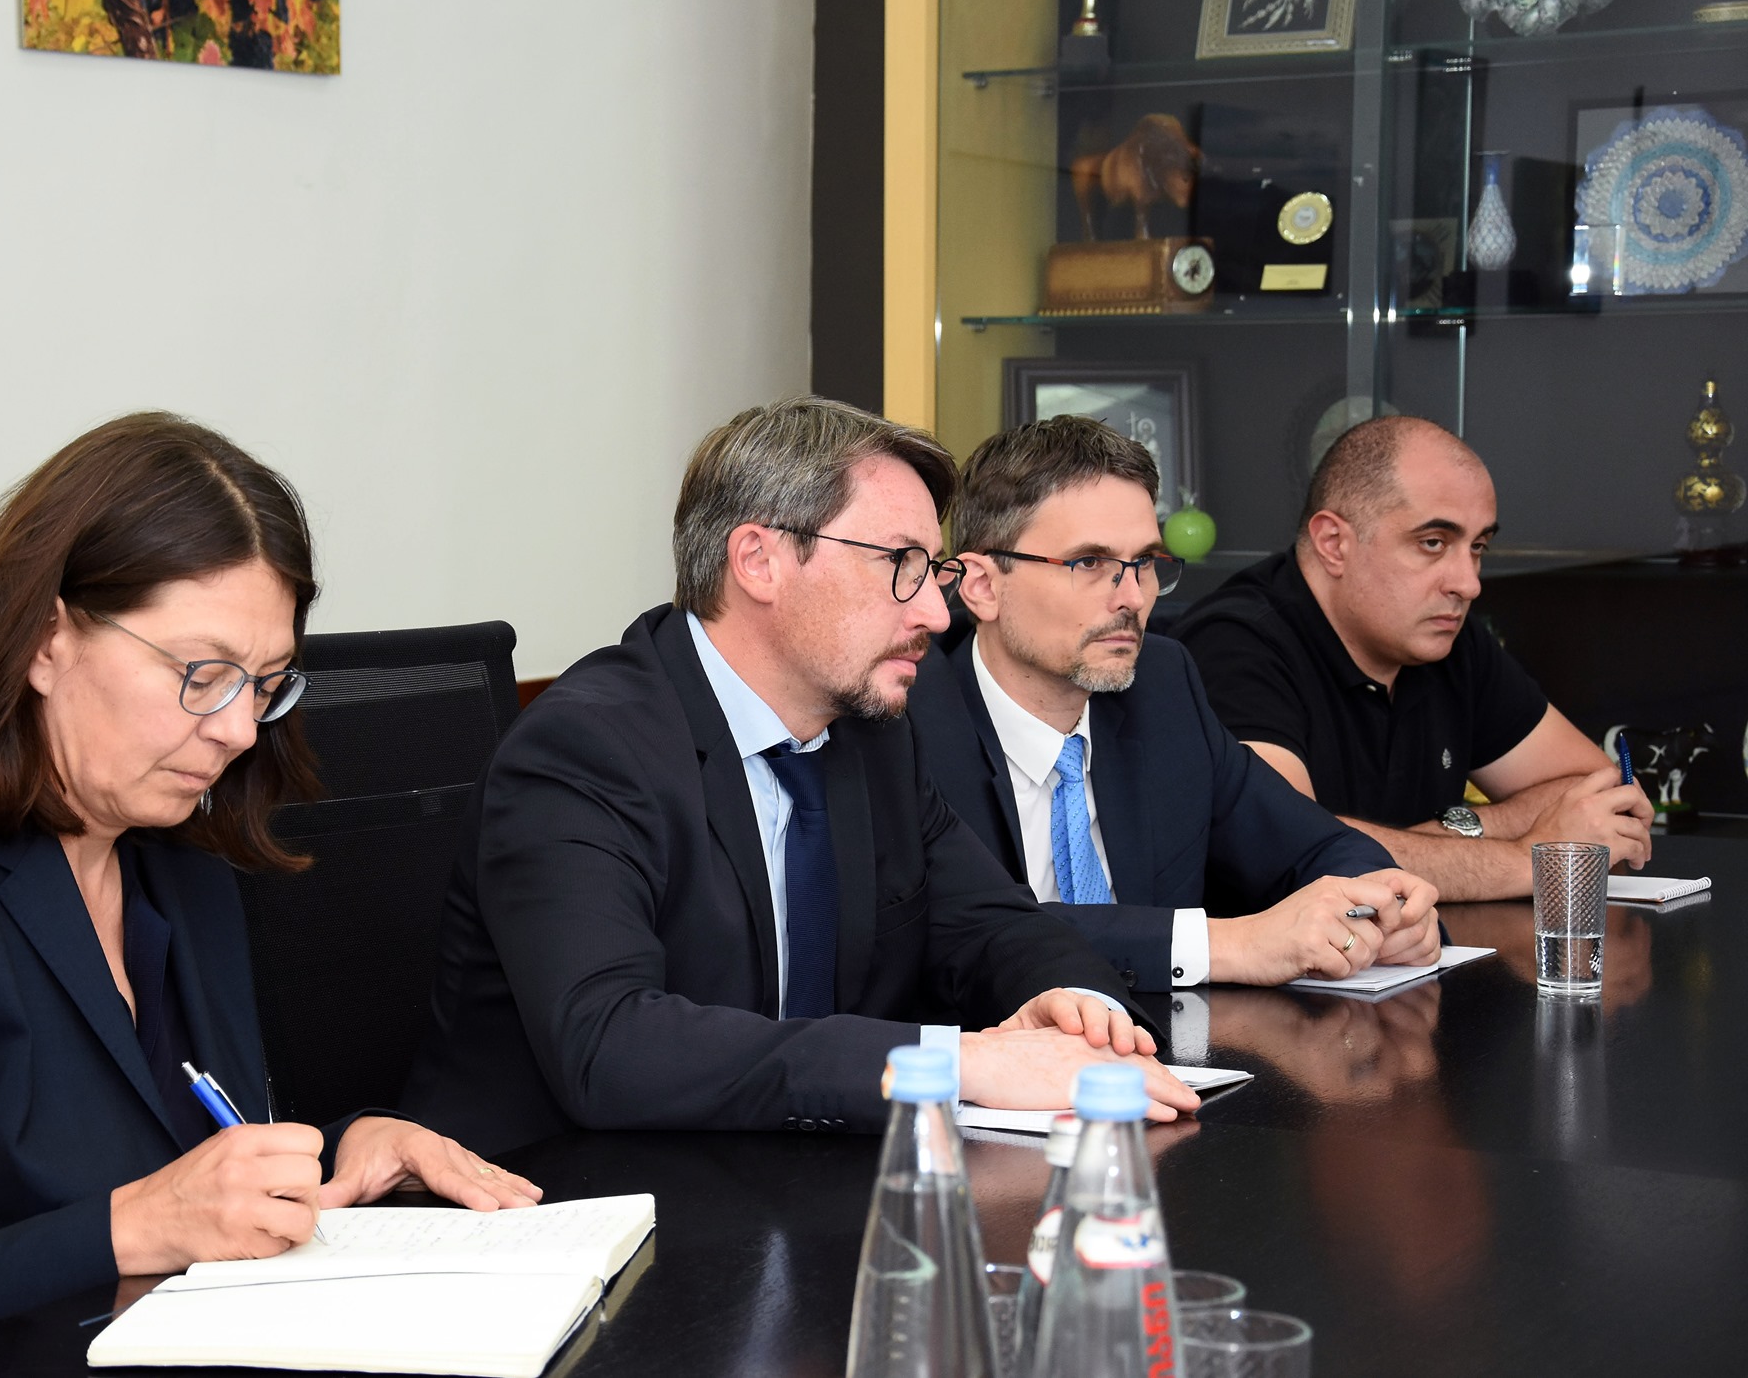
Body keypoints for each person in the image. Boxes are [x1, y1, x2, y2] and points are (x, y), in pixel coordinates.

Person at [0, 414, 538, 1378]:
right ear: (46, 640)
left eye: (265, 684)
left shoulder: (179, 858)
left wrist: (347, 1146)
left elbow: (189, 1149)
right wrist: (126, 1229)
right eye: (202, 674)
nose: (239, 730)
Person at [402, 398, 1200, 1156]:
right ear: (760, 561)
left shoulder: (872, 736)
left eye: (932, 569)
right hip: (553, 1203)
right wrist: (956, 1063)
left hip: (780, 1184)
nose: (936, 611)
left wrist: (1082, 1010)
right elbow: (611, 1044)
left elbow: (994, 922)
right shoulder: (585, 748)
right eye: (901, 564)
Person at [907, 415, 1438, 1006]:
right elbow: (967, 932)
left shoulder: (1162, 684)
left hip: (1173, 1047)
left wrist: (1382, 902)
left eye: (1145, 562)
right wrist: (1231, 943)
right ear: (982, 586)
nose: (1133, 597)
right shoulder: (908, 719)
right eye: (1089, 563)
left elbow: (1315, 845)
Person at [1172, 415, 1653, 901]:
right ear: (1333, 544)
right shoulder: (1234, 644)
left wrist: (1461, 829)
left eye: (1478, 546)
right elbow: (1291, 853)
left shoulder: (1444, 637)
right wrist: (1528, 858)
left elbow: (1602, 796)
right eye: (1433, 543)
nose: (1468, 584)